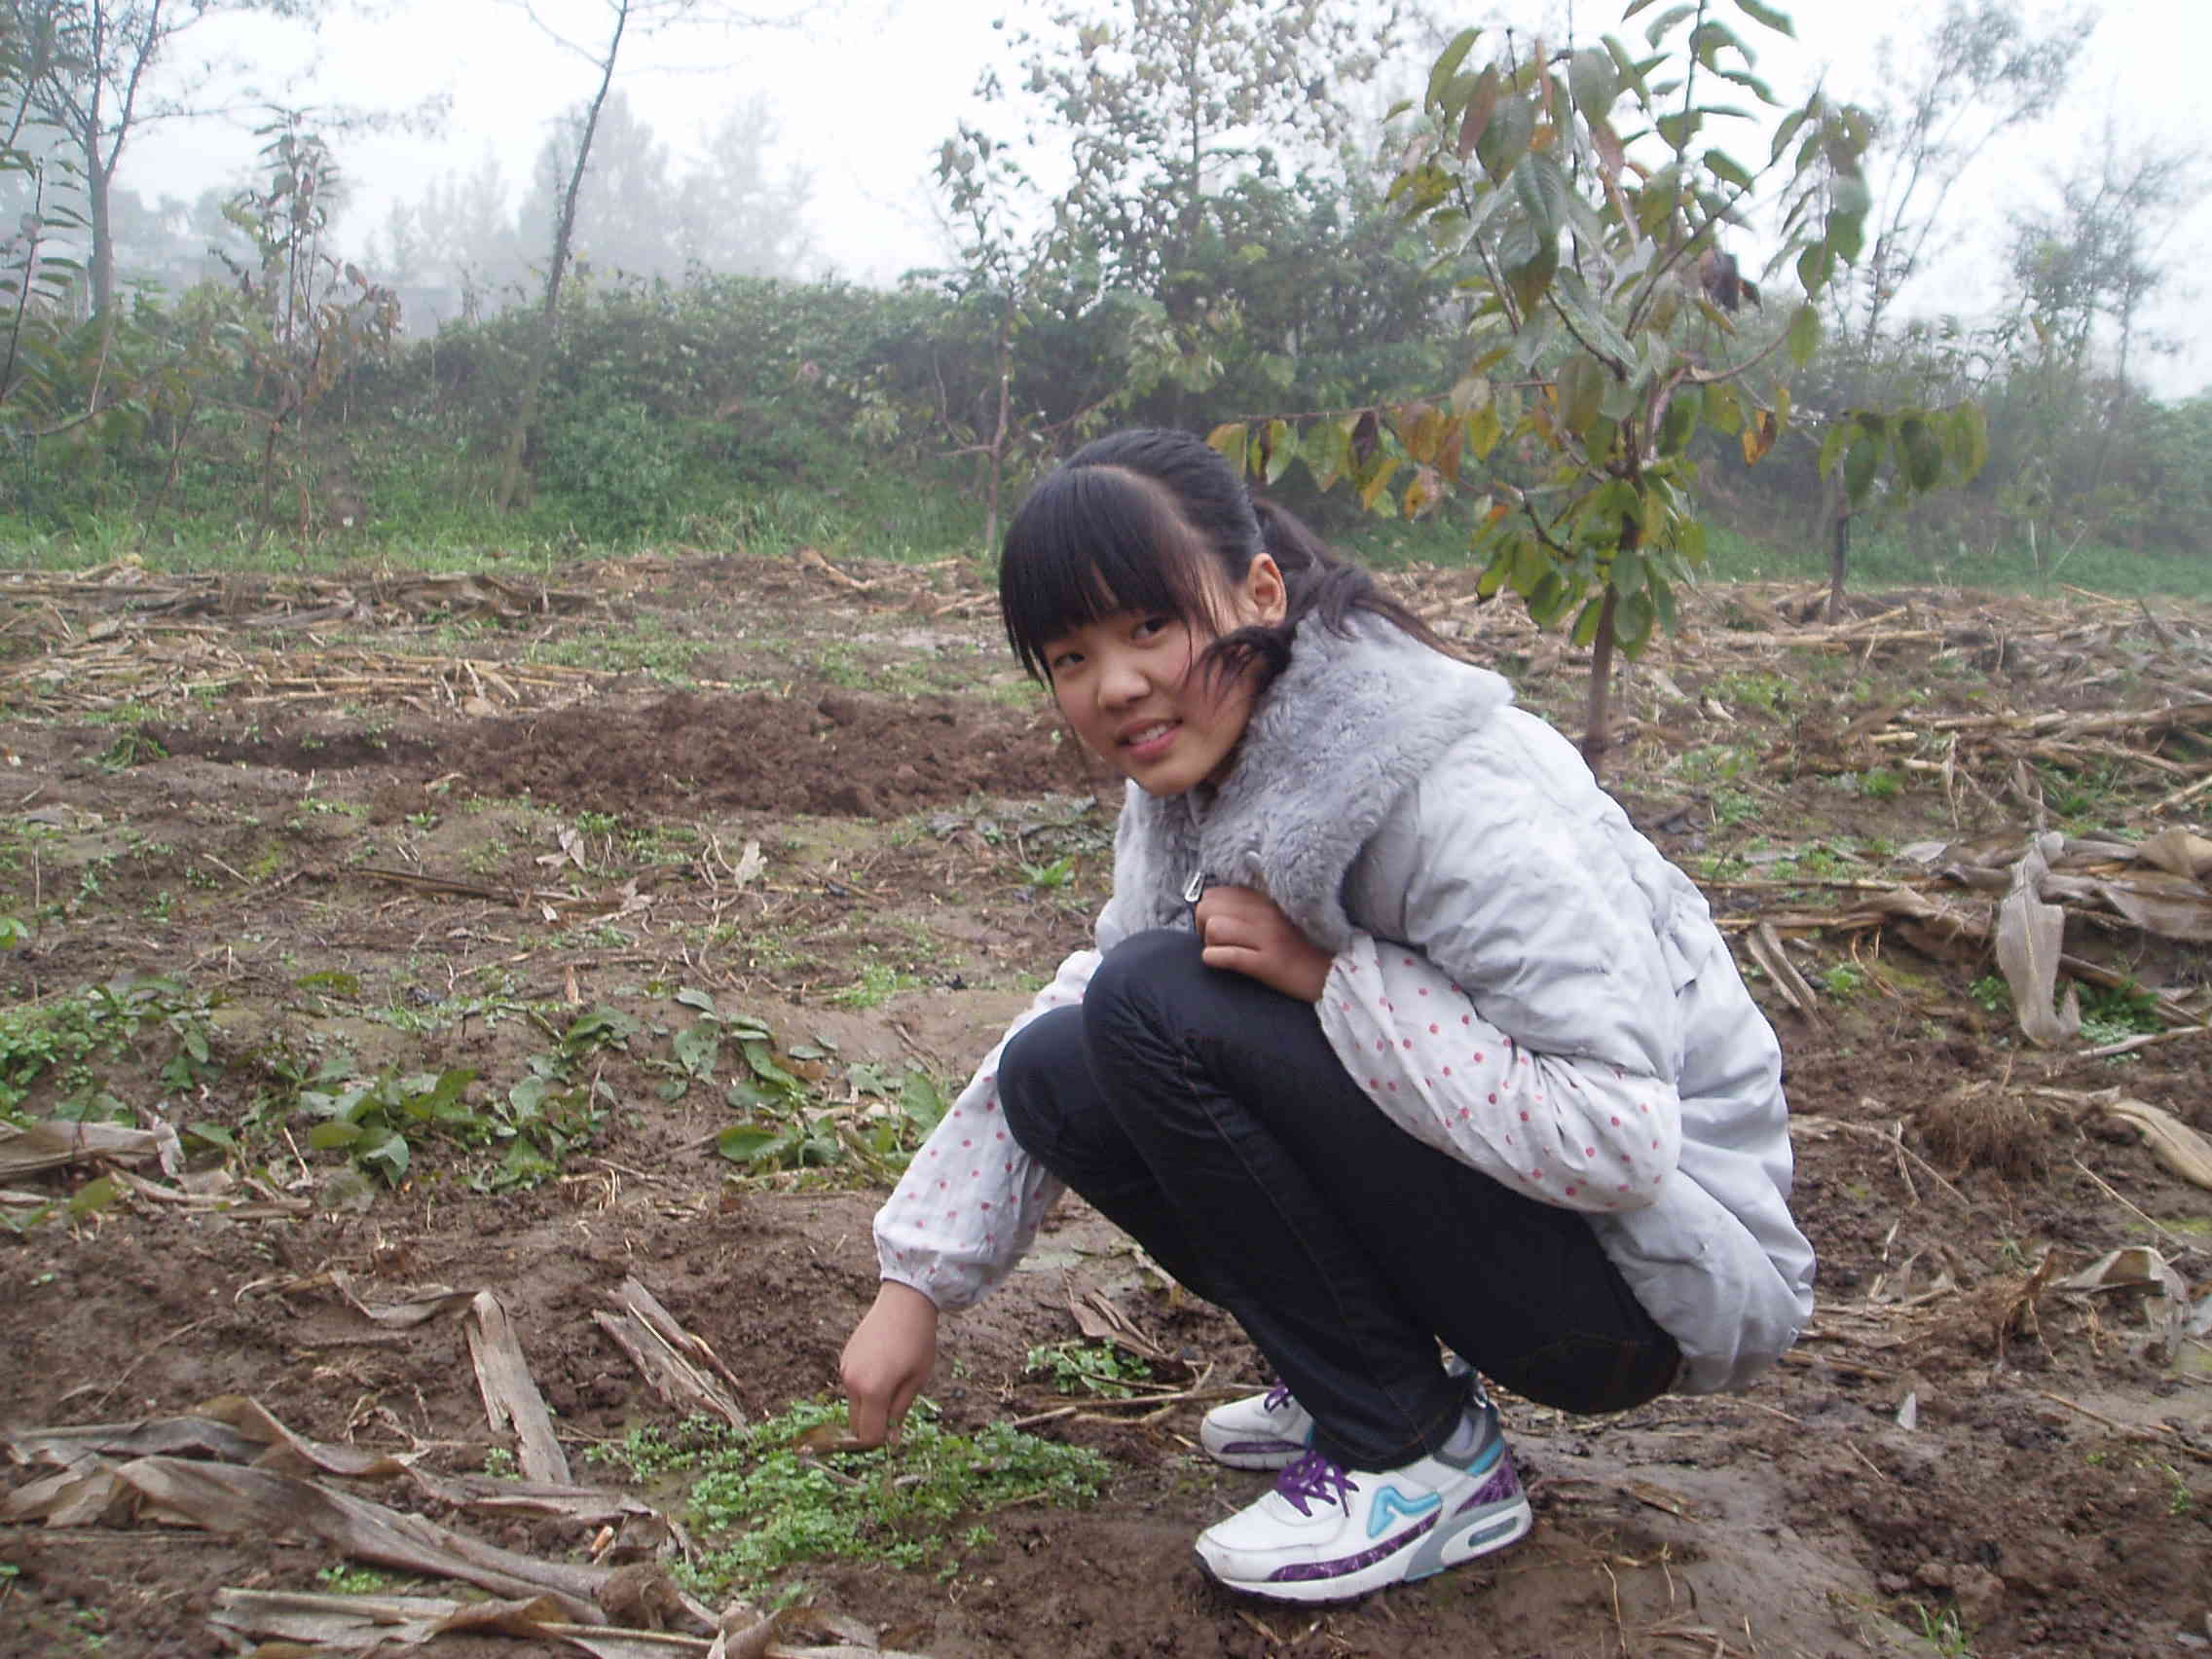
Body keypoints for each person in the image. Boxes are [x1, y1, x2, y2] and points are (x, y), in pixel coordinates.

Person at [837, 426, 1815, 1604]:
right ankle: (1365, 1369)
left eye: (1150, 626)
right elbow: (1089, 998)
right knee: (1062, 1060)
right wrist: (913, 1284)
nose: (1116, 686)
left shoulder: (1446, 791)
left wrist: (1329, 981)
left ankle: (1412, 1452)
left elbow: (1618, 1136)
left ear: (1260, 593)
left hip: (1645, 1285)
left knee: (1155, 1001)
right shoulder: (1201, 778)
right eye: (1070, 657)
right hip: (1523, 1235)